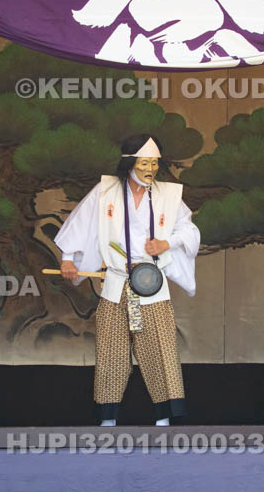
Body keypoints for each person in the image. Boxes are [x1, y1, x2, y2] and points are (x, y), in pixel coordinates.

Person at [53, 134, 200, 426]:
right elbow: (82, 221)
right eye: (144, 162)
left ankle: (163, 418)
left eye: (155, 163)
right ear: (129, 163)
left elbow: (189, 230)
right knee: (111, 350)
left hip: (150, 283)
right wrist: (68, 257)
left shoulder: (167, 195)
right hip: (116, 281)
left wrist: (166, 243)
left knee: (159, 348)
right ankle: (108, 419)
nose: (150, 169)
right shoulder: (105, 191)